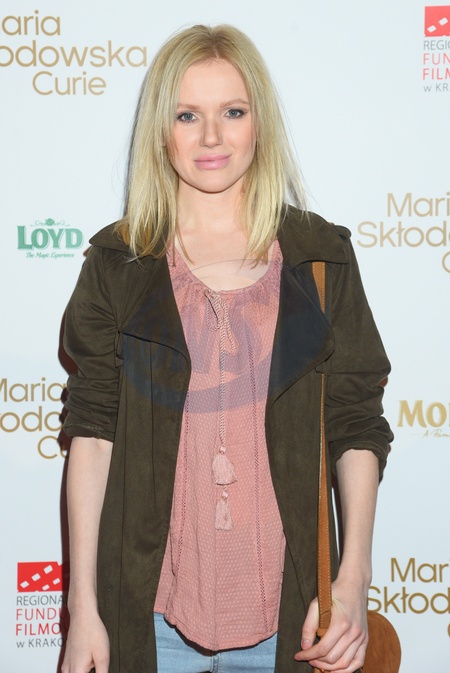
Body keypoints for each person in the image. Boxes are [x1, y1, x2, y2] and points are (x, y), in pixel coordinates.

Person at [61, 24, 393, 673]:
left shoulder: (320, 259)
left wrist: (352, 582)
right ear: (161, 131)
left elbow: (355, 424)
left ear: (259, 124)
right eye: (188, 115)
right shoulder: (118, 265)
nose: (211, 136)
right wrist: (84, 608)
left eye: (232, 112)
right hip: (147, 613)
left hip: (294, 617)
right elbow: (93, 437)